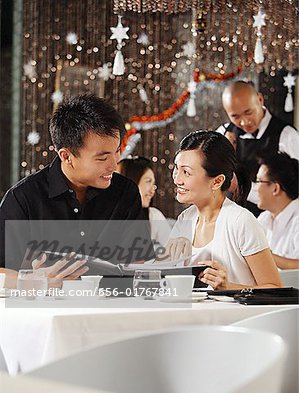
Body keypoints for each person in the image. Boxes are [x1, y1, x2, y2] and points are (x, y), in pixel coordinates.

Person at [0, 94, 149, 287]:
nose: (114, 164)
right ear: (66, 156)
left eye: (117, 151)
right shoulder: (23, 198)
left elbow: (138, 265)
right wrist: (33, 281)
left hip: (111, 309)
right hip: (46, 311)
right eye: (102, 158)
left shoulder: (125, 192)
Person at [166, 130, 282, 290]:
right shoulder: (186, 218)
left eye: (186, 172)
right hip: (195, 314)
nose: (177, 179)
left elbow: (275, 288)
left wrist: (229, 287)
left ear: (217, 181)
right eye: (176, 169)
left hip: (240, 315)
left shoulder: (241, 221)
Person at [217, 80, 299, 216]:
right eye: (235, 116)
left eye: (248, 112)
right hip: (230, 219)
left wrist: (240, 186)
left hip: (271, 224)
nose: (244, 122)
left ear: (260, 100)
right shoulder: (223, 133)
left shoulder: (286, 136)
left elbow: (293, 192)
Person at [255, 152, 299, 269]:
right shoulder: (264, 218)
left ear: (275, 188)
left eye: (259, 181)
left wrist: (261, 255)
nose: (255, 188)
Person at [118, 156, 172, 247]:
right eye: (148, 182)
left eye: (153, 184)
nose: (152, 191)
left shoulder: (153, 216)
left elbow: (173, 255)